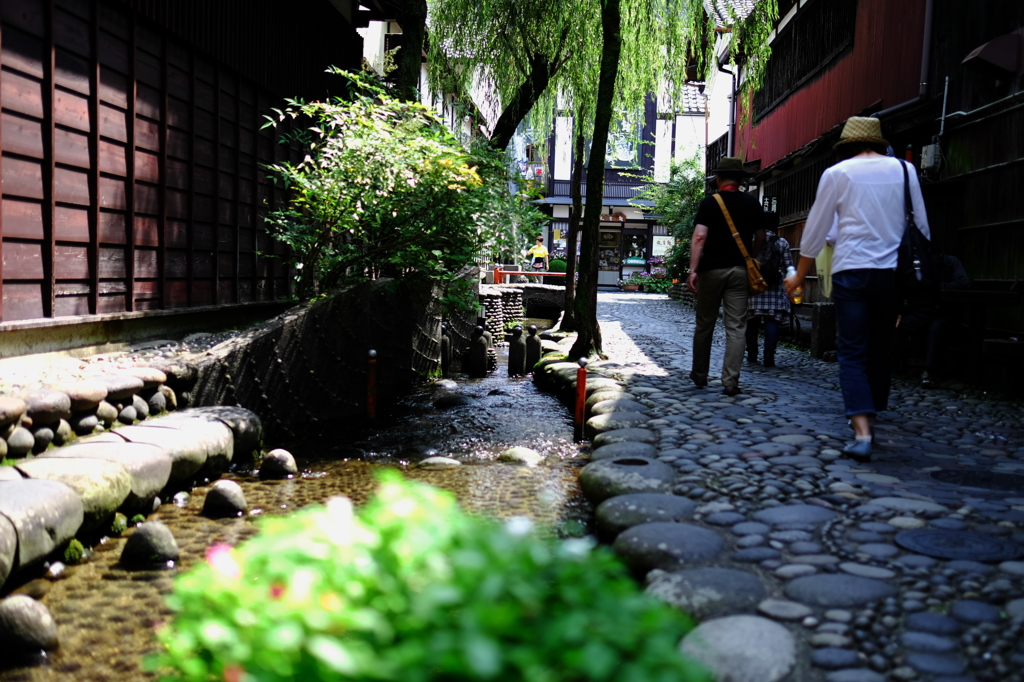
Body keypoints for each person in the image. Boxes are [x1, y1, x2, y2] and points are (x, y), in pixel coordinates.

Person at [785, 116, 931, 461]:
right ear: (880, 143)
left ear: (847, 146)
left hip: (851, 271)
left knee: (851, 349)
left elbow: (817, 231)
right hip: (891, 273)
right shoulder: (905, 171)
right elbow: (922, 224)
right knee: (880, 346)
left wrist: (799, 275)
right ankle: (873, 409)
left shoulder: (838, 174)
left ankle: (862, 432)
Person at [688, 156, 766, 396]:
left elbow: (700, 237)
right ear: (741, 180)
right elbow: (761, 236)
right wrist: (749, 256)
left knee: (705, 324)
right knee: (736, 327)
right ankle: (730, 380)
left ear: (719, 178)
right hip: (740, 271)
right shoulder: (752, 204)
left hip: (711, 270)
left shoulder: (710, 203)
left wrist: (692, 269)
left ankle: (700, 375)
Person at [893, 249, 971, 387]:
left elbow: (964, 283)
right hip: (922, 312)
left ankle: (929, 372)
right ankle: (894, 365)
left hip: (946, 312)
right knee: (898, 324)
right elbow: (903, 287)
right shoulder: (917, 264)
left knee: (936, 329)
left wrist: (939, 287)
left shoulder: (951, 262)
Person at [745, 212, 793, 368]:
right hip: (774, 287)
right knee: (772, 321)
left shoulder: (752, 240)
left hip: (753, 287)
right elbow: (788, 267)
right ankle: (768, 356)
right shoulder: (782, 243)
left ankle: (752, 354)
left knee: (751, 321)